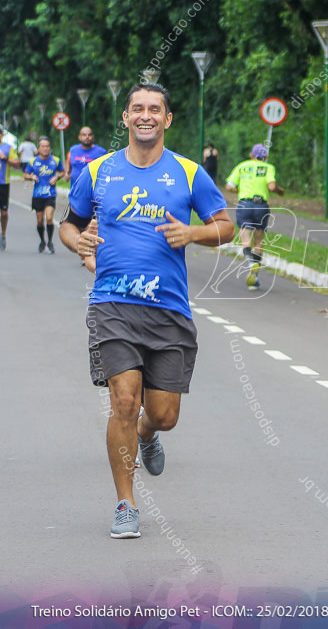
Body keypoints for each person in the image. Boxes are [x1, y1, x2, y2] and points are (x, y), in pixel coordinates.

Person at [59, 82, 233, 538]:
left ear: (167, 119)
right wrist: (78, 242)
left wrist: (193, 235)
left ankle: (147, 433)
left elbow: (226, 225)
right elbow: (69, 225)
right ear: (125, 117)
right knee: (123, 400)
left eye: (155, 109)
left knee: (163, 414)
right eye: (137, 108)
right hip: (113, 304)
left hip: (169, 309)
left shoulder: (189, 173)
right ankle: (125, 504)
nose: (146, 115)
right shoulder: (97, 171)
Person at [225, 143, 284, 289]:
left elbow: (229, 186)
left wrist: (240, 190)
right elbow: (271, 186)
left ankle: (251, 263)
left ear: (251, 155)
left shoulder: (242, 166)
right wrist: (279, 190)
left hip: (245, 205)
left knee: (245, 239)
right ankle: (254, 277)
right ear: (266, 157)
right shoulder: (268, 167)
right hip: (261, 206)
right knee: (259, 241)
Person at [23, 136, 63, 254]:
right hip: (37, 195)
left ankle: (50, 241)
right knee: (40, 221)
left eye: (47, 146)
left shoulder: (55, 160)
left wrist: (57, 177)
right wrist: (31, 177)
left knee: (49, 217)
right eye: (43, 146)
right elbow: (25, 174)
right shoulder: (33, 161)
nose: (45, 149)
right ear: (38, 148)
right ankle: (42, 241)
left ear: (49, 148)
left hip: (50, 194)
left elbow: (62, 171)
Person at [0, 127, 19, 250]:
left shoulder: (7, 148)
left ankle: (3, 235)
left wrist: (5, 158)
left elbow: (17, 164)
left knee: (4, 213)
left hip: (3, 183)